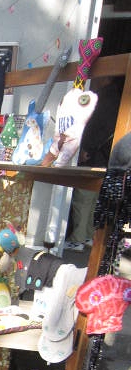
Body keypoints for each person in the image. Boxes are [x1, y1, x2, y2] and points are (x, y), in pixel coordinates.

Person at [64, 76, 124, 251]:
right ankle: (88, 236)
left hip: (93, 155)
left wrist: (87, 148)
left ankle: (77, 239)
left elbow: (95, 128)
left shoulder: (104, 98)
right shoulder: (119, 99)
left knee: (83, 198)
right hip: (107, 157)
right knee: (94, 200)